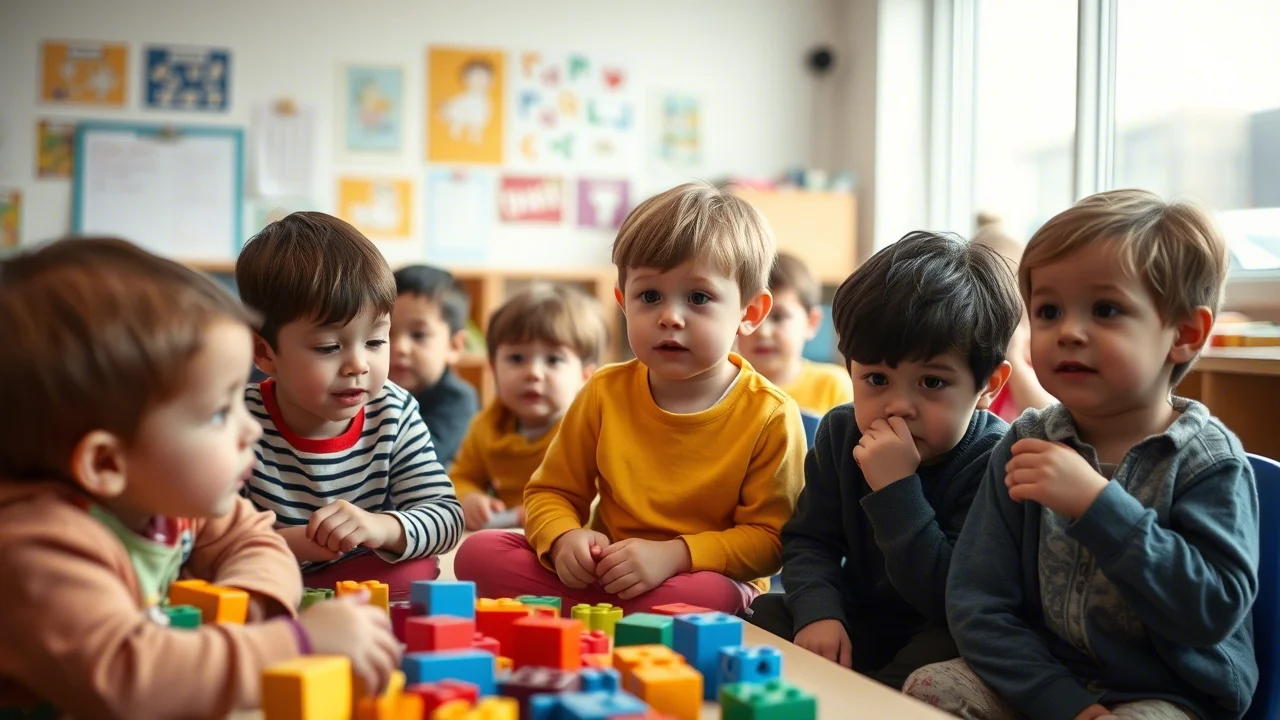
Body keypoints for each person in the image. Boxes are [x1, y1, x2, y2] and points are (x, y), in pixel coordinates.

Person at [0, 238, 399, 717]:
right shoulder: (39, 551)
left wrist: (238, 608)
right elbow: (132, 681)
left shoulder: (166, 499)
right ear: (106, 464)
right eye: (217, 413)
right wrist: (295, 642)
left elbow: (255, 540)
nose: (249, 427)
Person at [905, 190, 1259, 720]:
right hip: (1045, 679)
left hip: (1170, 693)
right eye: (1048, 311)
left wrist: (1100, 507)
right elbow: (978, 604)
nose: (1068, 331)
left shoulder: (1208, 462)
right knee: (932, 686)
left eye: (1106, 309)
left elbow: (1209, 613)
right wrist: (1061, 703)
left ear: (1184, 335)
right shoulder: (1025, 441)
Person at [453, 181, 807, 615]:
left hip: (701, 582)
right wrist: (565, 538)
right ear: (623, 304)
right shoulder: (604, 390)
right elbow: (550, 492)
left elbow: (769, 541)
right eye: (649, 296)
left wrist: (673, 556)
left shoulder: (770, 414)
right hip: (610, 572)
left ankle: (586, 611)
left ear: (749, 313)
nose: (670, 317)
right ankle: (601, 608)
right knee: (478, 554)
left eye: (698, 297)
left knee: (714, 598)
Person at [747, 231, 1020, 689]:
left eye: (932, 383)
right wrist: (819, 614)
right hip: (862, 617)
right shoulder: (841, 433)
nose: (898, 406)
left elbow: (954, 599)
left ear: (989, 386)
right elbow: (810, 542)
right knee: (754, 615)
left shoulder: (994, 458)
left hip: (943, 625)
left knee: (947, 658)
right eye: (876, 378)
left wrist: (896, 490)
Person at [236, 212, 463, 595]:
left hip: (357, 574)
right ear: (265, 352)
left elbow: (446, 517)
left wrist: (381, 527)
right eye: (328, 347)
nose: (358, 365)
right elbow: (207, 534)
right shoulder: (240, 420)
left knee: (415, 567)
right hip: (267, 571)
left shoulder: (395, 411)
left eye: (375, 342)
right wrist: (293, 543)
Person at [736, 252, 852, 415]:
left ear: (811, 322)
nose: (763, 332)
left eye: (778, 317)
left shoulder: (833, 386)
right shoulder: (722, 389)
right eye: (750, 315)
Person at [390, 264, 479, 467]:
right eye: (386, 333)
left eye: (418, 335)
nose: (399, 347)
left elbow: (417, 460)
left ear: (454, 346)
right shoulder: (373, 391)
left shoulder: (458, 400)